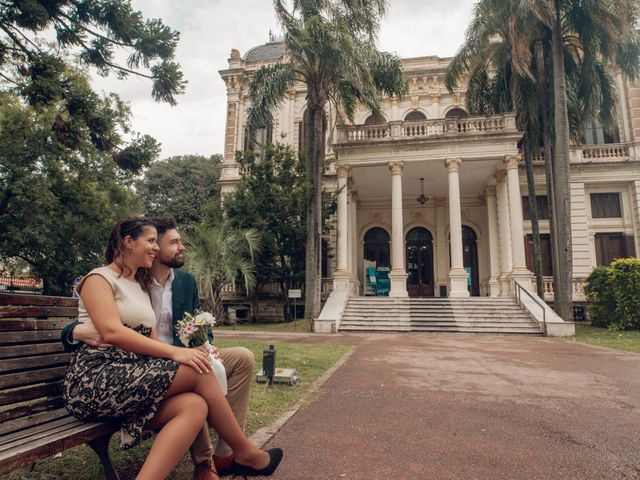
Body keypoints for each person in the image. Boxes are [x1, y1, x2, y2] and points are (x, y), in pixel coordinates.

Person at [62, 217, 282, 480]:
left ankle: (215, 461)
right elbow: (112, 331)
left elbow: (151, 334)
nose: (155, 248)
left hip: (132, 374)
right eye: (151, 241)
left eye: (157, 241)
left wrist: (198, 349)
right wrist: (177, 354)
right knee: (197, 370)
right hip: (96, 379)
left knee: (194, 405)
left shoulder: (137, 285)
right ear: (128, 242)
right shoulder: (99, 278)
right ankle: (244, 453)